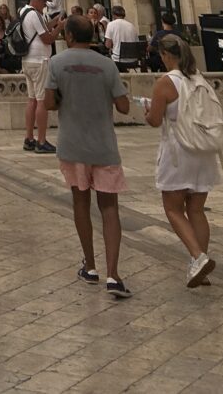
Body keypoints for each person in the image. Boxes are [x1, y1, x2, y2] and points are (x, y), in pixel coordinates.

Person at [46, 15, 132, 299]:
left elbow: (48, 103)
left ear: (69, 36)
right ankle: (113, 274)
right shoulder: (107, 65)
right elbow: (123, 106)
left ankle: (91, 266)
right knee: (109, 208)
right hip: (103, 146)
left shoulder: (57, 63)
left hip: (72, 145)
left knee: (80, 202)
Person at [142, 33, 222, 287]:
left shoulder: (166, 82)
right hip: (203, 150)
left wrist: (148, 111)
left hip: (179, 150)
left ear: (166, 55)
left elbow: (155, 120)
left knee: (173, 208)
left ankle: (198, 257)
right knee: (196, 209)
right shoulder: (199, 78)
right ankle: (200, 268)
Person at [20, 0, 65, 153]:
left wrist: (55, 22)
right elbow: (47, 38)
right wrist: (60, 27)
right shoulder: (34, 14)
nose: (45, 5)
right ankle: (41, 140)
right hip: (39, 61)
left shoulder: (24, 12)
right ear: (37, 0)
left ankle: (29, 138)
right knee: (41, 100)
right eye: (44, 2)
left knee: (32, 99)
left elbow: (41, 28)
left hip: (27, 60)